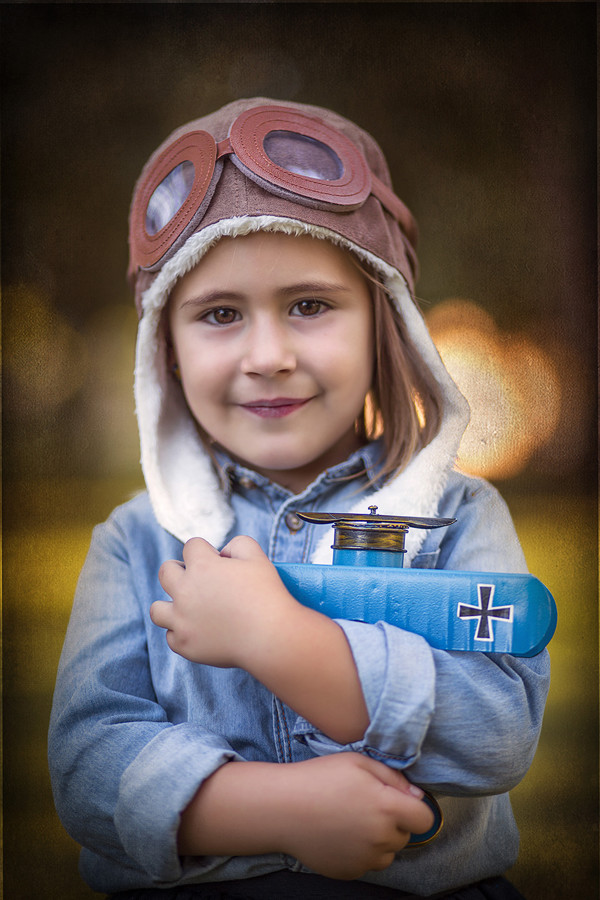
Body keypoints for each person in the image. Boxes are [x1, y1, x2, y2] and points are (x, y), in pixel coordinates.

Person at [48, 98, 550, 900]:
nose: (269, 355)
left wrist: (282, 642)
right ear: (166, 354)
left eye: (310, 306)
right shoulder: (136, 544)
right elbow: (88, 767)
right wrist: (278, 810)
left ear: (385, 323)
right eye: (218, 314)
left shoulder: (459, 520)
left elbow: (497, 735)